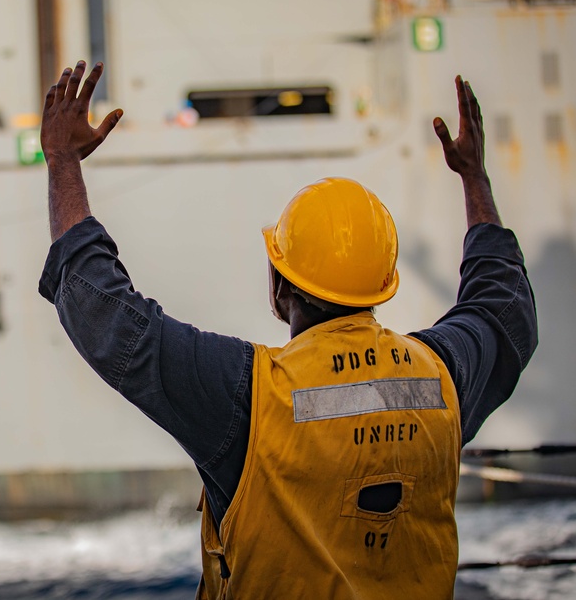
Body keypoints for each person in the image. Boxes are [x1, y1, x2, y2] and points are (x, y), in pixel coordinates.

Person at [37, 61, 538, 598]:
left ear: (281, 289)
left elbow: (104, 315)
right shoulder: (442, 377)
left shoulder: (249, 395)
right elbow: (503, 308)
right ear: (382, 281)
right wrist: (475, 178)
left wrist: (63, 161)